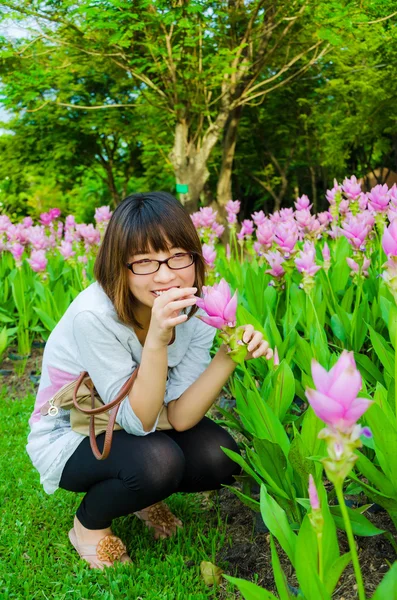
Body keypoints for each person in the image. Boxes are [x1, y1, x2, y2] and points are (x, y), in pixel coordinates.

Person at [26, 191, 273, 569]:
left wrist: (229, 356)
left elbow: (178, 417)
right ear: (119, 267)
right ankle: (88, 526)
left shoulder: (198, 311)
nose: (165, 274)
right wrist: (156, 339)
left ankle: (141, 495)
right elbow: (137, 420)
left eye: (178, 256)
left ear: (194, 257)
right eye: (144, 262)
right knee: (158, 462)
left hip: (141, 419)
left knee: (218, 456)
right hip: (72, 430)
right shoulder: (94, 316)